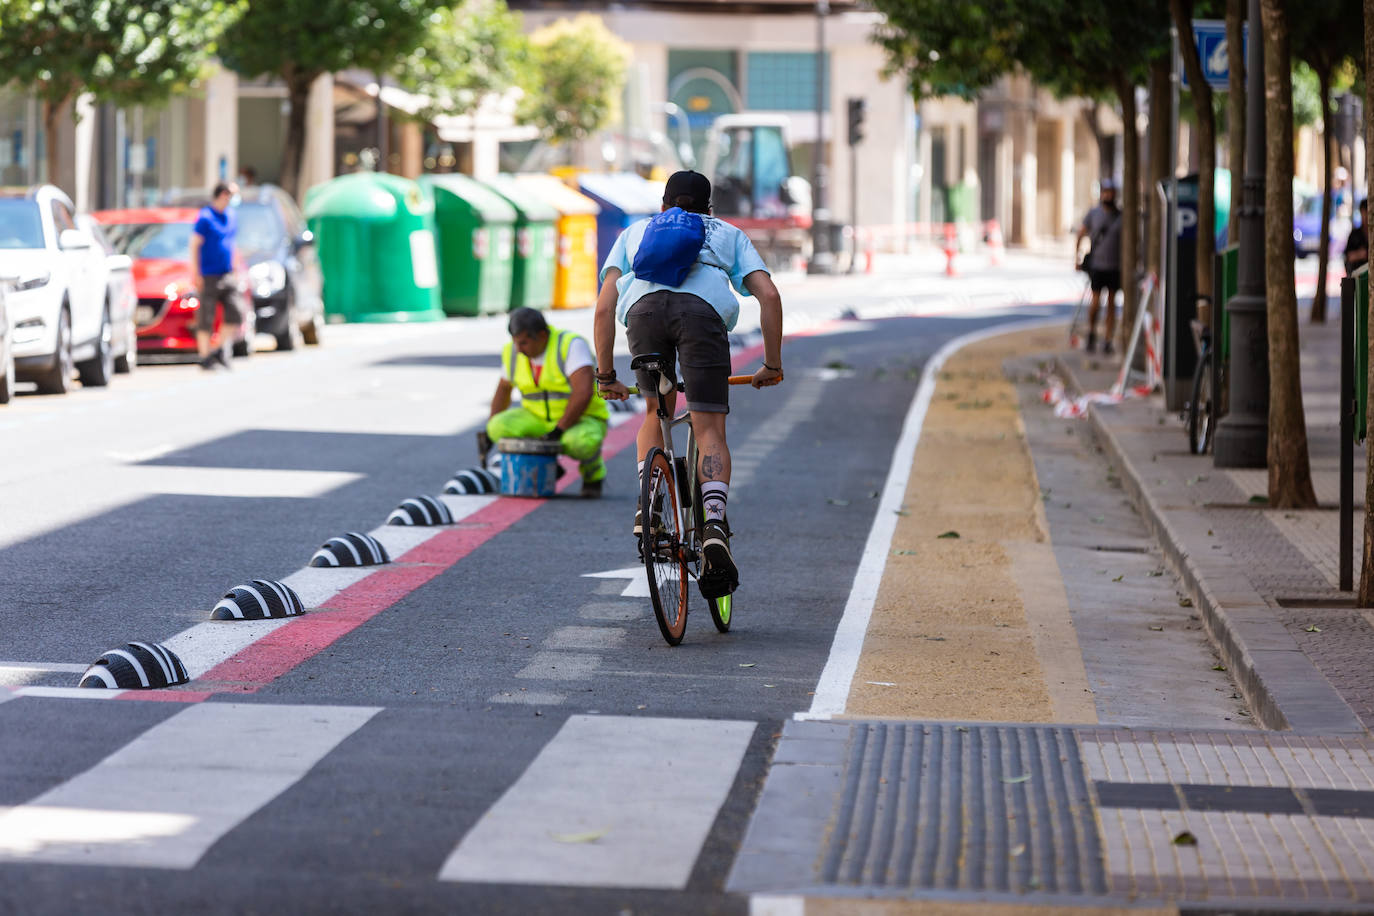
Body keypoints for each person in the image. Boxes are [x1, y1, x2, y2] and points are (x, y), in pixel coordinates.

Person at [593, 169, 784, 599]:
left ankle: (648, 508)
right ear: (709, 208)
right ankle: (713, 523)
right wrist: (771, 364)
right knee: (709, 427)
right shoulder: (726, 233)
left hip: (642, 315)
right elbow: (769, 297)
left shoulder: (636, 233)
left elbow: (605, 308)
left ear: (663, 207)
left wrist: (606, 376)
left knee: (653, 410)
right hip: (702, 318)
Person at [486, 307, 608, 498]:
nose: (519, 349)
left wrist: (558, 430)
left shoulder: (570, 345)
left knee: (581, 442)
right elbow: (503, 389)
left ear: (542, 335)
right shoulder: (513, 351)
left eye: (524, 343)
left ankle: (593, 475)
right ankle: (547, 463)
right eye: (516, 342)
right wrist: (488, 432)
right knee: (497, 427)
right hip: (537, 419)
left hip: (581, 418)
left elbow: (583, 392)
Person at [188, 182, 246, 370]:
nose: (234, 199)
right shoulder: (205, 217)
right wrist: (196, 273)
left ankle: (219, 349)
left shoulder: (231, 216)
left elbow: (232, 245)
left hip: (227, 273)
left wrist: (237, 269)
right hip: (208, 275)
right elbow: (194, 245)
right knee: (206, 317)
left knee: (235, 313)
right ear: (222, 194)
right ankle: (205, 357)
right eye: (232, 195)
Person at [1073, 179, 1123, 355]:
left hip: (1115, 267)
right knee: (1095, 302)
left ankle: (1108, 339)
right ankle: (1092, 332)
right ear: (1101, 193)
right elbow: (1081, 233)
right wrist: (1077, 258)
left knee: (1111, 304)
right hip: (1097, 265)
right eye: (1105, 192)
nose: (1108, 195)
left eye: (1111, 192)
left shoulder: (1120, 216)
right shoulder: (1093, 213)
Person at [1345, 199, 1368, 276]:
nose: (1367, 216)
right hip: (1358, 276)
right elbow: (1348, 257)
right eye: (1365, 212)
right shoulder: (1354, 235)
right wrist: (1361, 254)